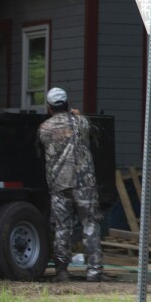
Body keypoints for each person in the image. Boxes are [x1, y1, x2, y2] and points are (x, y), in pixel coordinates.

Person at [37, 87, 104, 282]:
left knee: (61, 228)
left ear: (49, 107)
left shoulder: (44, 128)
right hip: (85, 183)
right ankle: (94, 271)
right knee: (90, 225)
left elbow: (41, 151)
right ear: (67, 103)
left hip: (59, 184)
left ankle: (61, 271)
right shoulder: (81, 122)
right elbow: (94, 133)